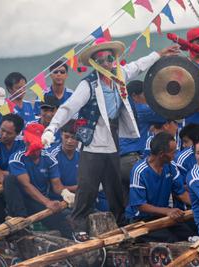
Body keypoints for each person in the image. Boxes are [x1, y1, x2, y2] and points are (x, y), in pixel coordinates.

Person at [41, 38, 180, 242]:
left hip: (113, 137)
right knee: (87, 187)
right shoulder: (88, 84)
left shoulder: (119, 76)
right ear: (96, 63)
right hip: (93, 140)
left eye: (110, 59)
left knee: (114, 184)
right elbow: (68, 107)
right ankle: (78, 225)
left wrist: (159, 54)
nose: (107, 63)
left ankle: (120, 220)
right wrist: (51, 128)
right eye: (102, 60)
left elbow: (138, 65)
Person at [4, 123, 74, 238]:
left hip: (38, 201)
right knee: (9, 179)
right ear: (26, 142)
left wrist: (66, 193)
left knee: (62, 224)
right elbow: (26, 185)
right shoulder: (17, 158)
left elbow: (57, 186)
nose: (33, 150)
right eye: (29, 144)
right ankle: (19, 220)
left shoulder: (49, 159)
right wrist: (47, 202)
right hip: (21, 201)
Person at [126, 132, 194, 242]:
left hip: (162, 215)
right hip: (140, 220)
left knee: (189, 235)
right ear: (162, 154)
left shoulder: (171, 167)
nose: (175, 155)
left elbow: (181, 193)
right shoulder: (140, 171)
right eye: (173, 152)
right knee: (170, 240)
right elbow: (140, 205)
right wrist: (167, 211)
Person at [119, 80, 165, 205]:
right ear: (134, 96)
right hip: (131, 160)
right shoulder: (142, 110)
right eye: (145, 96)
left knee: (127, 201)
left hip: (115, 162)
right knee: (150, 195)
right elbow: (165, 115)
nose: (147, 99)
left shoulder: (118, 109)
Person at [49, 119, 79, 200]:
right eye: (66, 137)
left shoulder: (83, 155)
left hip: (78, 198)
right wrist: (79, 188)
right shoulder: (51, 156)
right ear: (61, 135)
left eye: (74, 138)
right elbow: (56, 188)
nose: (69, 141)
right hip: (57, 200)